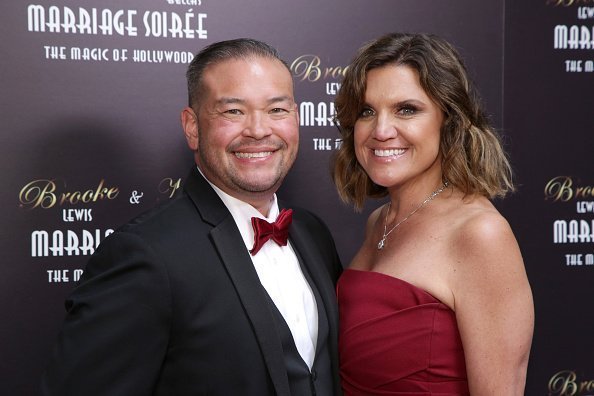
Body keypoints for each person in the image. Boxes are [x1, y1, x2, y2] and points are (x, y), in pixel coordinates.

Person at [42, 38, 342, 396]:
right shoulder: (144, 255)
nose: (259, 130)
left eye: (277, 110)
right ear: (192, 126)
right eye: (233, 111)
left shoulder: (313, 234)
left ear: (296, 117)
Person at [332, 33, 534, 395]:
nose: (381, 130)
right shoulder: (379, 222)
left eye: (406, 109)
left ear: (449, 120)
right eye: (367, 111)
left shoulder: (479, 233)